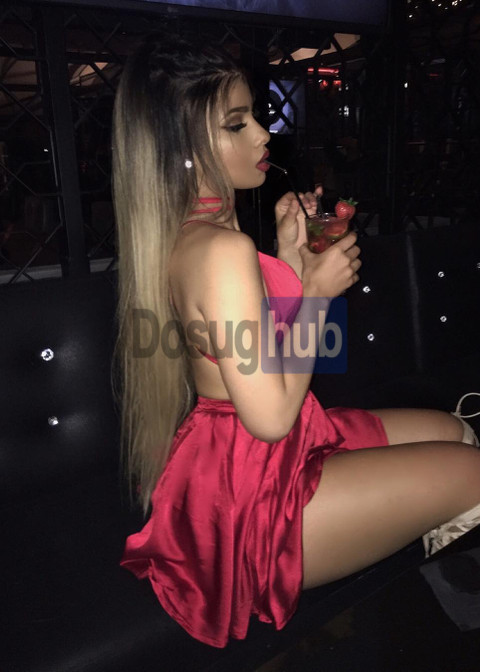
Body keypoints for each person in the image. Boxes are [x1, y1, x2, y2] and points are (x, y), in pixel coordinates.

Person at [111, 32, 480, 649]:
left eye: (254, 116)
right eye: (237, 124)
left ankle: (431, 585)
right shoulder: (220, 248)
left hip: (244, 453)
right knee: (473, 470)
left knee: (454, 431)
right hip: (253, 492)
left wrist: (290, 260)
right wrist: (315, 294)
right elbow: (271, 416)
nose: (264, 135)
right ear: (184, 144)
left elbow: (256, 355)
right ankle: (431, 621)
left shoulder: (194, 230)